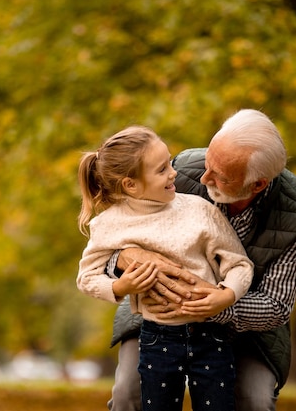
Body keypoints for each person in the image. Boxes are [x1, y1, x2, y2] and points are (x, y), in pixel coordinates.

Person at [106, 109, 296, 411]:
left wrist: (220, 303)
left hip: (246, 328)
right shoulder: (180, 169)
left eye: (219, 176)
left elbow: (276, 305)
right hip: (156, 313)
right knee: (129, 391)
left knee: (254, 401)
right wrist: (123, 258)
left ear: (257, 184)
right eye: (208, 162)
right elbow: (112, 233)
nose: (203, 177)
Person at [76, 125, 254, 411]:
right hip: (157, 338)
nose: (173, 173)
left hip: (210, 334)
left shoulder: (199, 210)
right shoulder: (108, 224)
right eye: (161, 170)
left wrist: (226, 295)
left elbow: (240, 264)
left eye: (170, 162)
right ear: (130, 185)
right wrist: (121, 286)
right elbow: (86, 278)